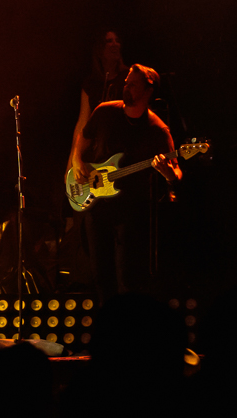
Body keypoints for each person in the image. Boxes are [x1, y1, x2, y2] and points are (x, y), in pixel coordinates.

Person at [68, 63, 180, 296]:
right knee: (99, 277)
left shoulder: (158, 130)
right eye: (126, 82)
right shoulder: (105, 111)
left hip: (130, 214)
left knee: (126, 280)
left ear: (148, 91)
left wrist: (168, 174)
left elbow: (177, 173)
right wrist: (77, 161)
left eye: (133, 84)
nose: (126, 87)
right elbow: (83, 137)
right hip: (97, 207)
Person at [70, 30, 128, 163]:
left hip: (122, 150)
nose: (115, 44)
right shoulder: (90, 84)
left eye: (117, 40)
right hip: (97, 154)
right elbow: (82, 123)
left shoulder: (128, 77)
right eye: (109, 41)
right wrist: (73, 160)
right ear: (99, 49)